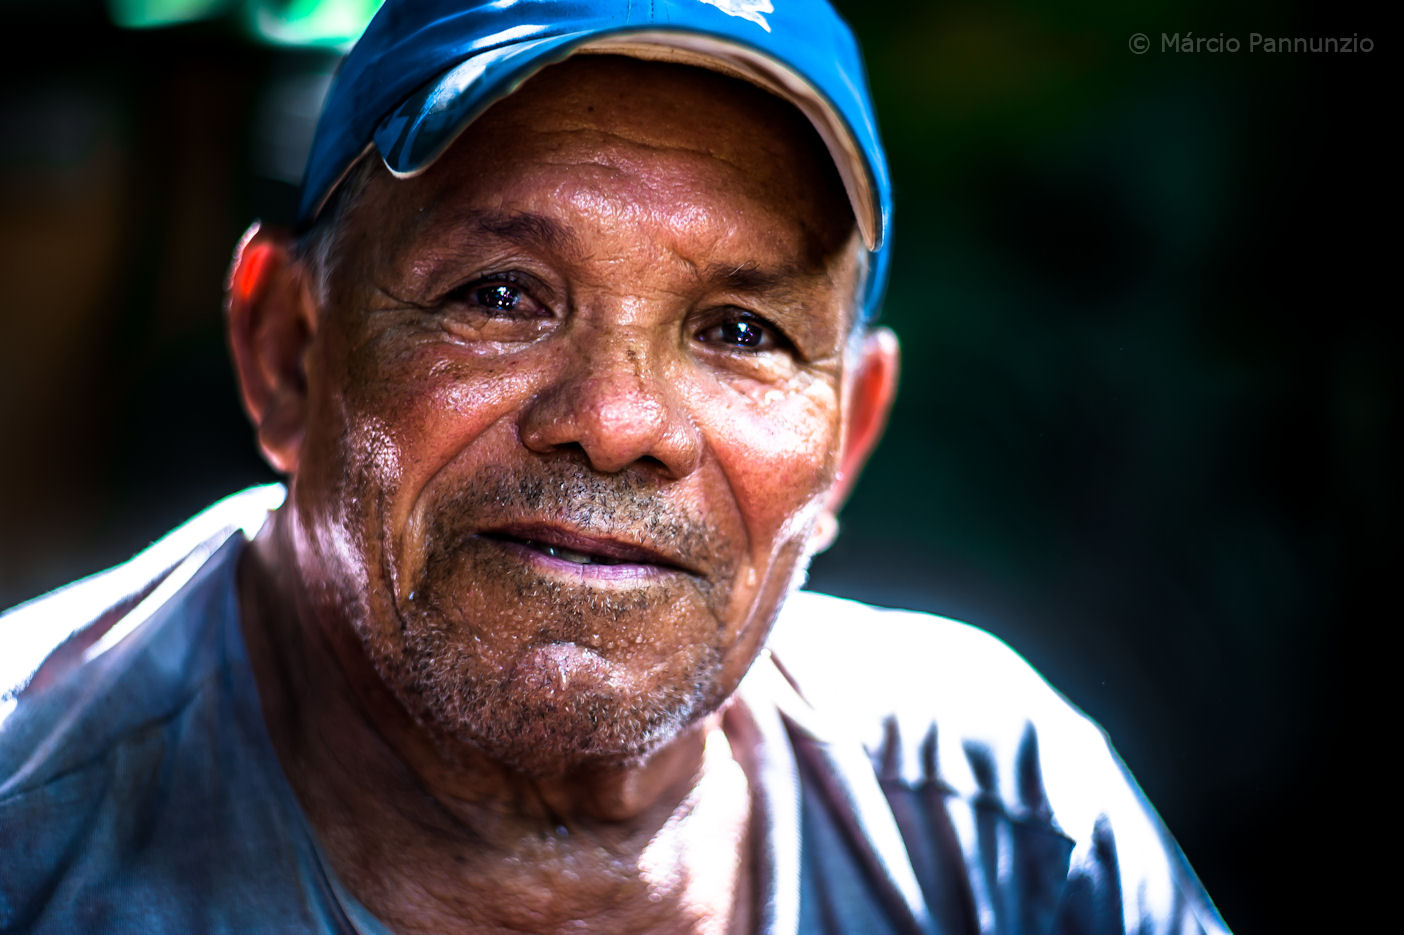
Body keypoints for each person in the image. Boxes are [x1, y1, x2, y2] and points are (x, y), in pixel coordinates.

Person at [0, 1, 1232, 933]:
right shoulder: (30, 827)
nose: (617, 420)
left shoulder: (1002, 822)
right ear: (289, 350)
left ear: (847, 434)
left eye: (741, 330)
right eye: (499, 294)